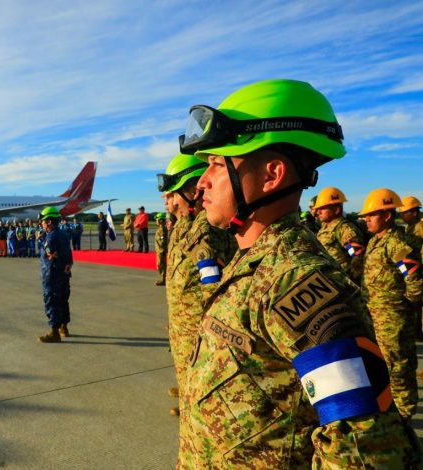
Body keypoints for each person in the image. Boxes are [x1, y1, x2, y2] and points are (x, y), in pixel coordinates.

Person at [179, 79, 419, 468]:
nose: (201, 183)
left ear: (271, 175)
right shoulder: (252, 263)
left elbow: (367, 447)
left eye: (217, 165)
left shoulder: (296, 281)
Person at [157, 152, 237, 445]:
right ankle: (188, 399)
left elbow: (212, 288)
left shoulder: (206, 230)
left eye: (171, 194)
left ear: (191, 191)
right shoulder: (183, 225)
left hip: (196, 329)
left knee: (200, 392)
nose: (167, 201)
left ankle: (192, 409)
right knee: (186, 377)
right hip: (182, 324)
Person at [359, 189, 422, 421]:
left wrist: (406, 304)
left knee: (398, 369)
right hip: (376, 315)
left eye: (371, 215)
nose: (366, 219)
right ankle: (390, 414)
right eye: (366, 216)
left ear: (387, 216)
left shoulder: (395, 243)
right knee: (382, 367)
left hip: (393, 318)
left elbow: (414, 276)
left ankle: (405, 419)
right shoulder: (376, 241)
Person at [312, 187, 366, 284]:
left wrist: (351, 281)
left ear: (336, 210)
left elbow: (357, 255)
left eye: (322, 208)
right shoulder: (325, 227)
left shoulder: (344, 228)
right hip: (330, 280)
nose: (318, 212)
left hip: (342, 282)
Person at [37, 206, 73, 343]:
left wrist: (40, 241)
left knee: (52, 301)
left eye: (43, 221)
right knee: (63, 300)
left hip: (52, 274)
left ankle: (54, 332)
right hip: (64, 273)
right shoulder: (63, 234)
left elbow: (49, 253)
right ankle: (64, 327)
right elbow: (68, 254)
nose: (42, 223)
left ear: (49, 221)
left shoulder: (51, 236)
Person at [399, 195, 423, 339]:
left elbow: (412, 249)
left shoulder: (420, 227)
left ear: (414, 212)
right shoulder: (411, 226)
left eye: (404, 212)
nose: (401, 215)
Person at [154, 212, 168, 286]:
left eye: (157, 220)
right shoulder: (160, 228)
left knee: (161, 264)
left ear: (160, 221)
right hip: (159, 249)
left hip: (161, 250)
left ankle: (163, 279)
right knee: (160, 264)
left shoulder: (162, 229)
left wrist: (162, 249)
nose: (156, 221)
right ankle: (163, 279)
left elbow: (162, 240)